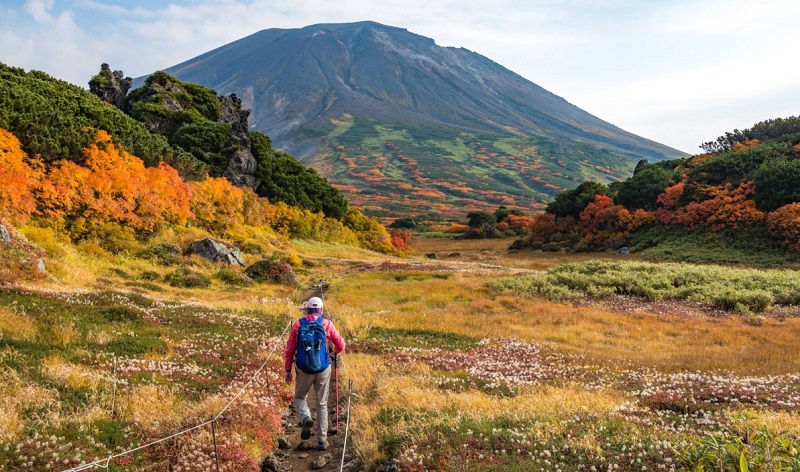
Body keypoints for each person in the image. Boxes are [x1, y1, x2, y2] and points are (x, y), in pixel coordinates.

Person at [284, 296, 345, 450]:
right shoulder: (327, 324)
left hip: (304, 369)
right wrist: (334, 352)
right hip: (323, 368)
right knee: (322, 404)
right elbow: (341, 344)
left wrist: (288, 370)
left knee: (299, 397)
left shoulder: (298, 325)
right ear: (321, 310)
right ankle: (322, 441)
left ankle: (306, 417)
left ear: (307, 310)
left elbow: (290, 349)